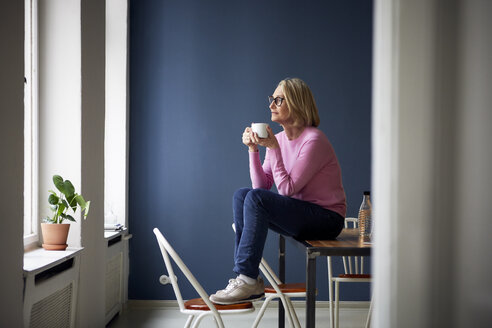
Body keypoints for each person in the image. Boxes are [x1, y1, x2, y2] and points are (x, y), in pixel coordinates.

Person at [210, 77, 346, 305]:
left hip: (327, 219)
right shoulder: (280, 139)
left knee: (253, 198)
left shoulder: (314, 140)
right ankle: (246, 277)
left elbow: (287, 189)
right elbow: (260, 188)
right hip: (302, 213)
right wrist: (253, 150)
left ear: (296, 104)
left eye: (278, 100)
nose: (271, 105)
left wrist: (273, 148)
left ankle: (247, 278)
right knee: (242, 195)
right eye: (271, 99)